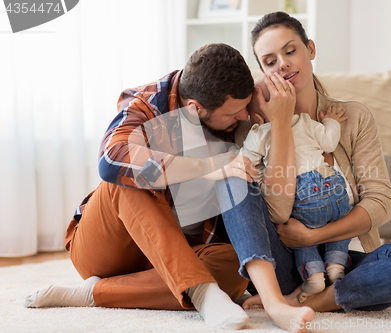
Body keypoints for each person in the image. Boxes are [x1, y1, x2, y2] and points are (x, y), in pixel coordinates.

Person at [23, 43, 298, 331]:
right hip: (111, 248)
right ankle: (202, 293)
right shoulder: (146, 103)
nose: (242, 117)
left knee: (236, 266)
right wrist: (210, 166)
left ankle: (94, 293)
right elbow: (112, 159)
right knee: (129, 177)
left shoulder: (235, 104)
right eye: (234, 113)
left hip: (176, 256)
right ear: (195, 109)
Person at [215, 11, 391, 332]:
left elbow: (379, 202)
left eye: (290, 51)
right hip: (286, 263)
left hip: (348, 263)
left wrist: (314, 235)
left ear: (311, 49)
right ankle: (282, 299)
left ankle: (309, 301)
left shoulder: (353, 117)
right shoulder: (255, 129)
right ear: (262, 71)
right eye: (270, 61)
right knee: (231, 179)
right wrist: (279, 123)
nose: (283, 64)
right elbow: (277, 214)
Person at [238, 81, 353, 301]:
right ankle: (337, 266)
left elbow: (245, 164)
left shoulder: (259, 132)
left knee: (299, 228)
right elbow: (329, 142)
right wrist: (330, 121)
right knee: (340, 221)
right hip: (335, 187)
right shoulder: (306, 122)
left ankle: (315, 277)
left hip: (305, 194)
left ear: (258, 118)